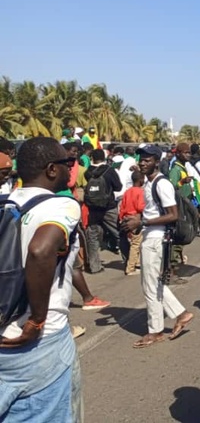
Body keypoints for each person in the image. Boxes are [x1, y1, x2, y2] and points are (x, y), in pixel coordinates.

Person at [0, 137, 83, 421]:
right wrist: (36, 319)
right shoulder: (61, 206)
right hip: (39, 344)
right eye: (67, 163)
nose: (71, 168)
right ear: (51, 169)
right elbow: (40, 250)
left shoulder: (5, 202)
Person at [121, 145, 194, 348]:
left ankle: (156, 331)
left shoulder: (161, 184)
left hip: (157, 239)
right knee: (152, 282)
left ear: (156, 161)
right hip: (150, 236)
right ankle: (181, 314)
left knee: (150, 286)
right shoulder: (149, 183)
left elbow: (173, 215)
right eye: (141, 159)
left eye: (147, 160)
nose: (143, 163)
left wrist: (142, 223)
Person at [83, 148, 123, 272]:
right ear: (104, 158)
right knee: (119, 233)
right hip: (109, 207)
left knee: (93, 236)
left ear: (92, 158)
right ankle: (130, 262)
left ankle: (94, 267)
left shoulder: (87, 172)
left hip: (93, 209)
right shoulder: (109, 170)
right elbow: (118, 187)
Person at [119, 170, 146, 276]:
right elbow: (140, 207)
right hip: (135, 218)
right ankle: (130, 268)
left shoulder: (127, 191)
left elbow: (122, 207)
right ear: (140, 180)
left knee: (134, 242)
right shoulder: (140, 192)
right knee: (136, 244)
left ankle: (137, 263)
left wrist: (121, 218)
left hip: (126, 218)